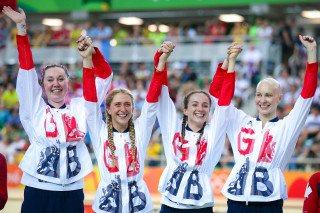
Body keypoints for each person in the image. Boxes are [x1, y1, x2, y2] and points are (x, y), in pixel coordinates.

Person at [3, 6, 112, 213]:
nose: (56, 84)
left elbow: (105, 77)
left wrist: (92, 55)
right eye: (50, 79)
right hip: (38, 189)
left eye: (61, 79)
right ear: (42, 85)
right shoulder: (34, 109)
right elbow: (26, 68)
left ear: (68, 83)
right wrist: (21, 28)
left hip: (72, 192)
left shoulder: (81, 107)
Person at [221, 35, 318, 213]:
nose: (262, 100)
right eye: (259, 95)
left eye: (268, 95)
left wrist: (312, 52)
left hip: (269, 203)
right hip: (236, 202)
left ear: (279, 98)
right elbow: (222, 99)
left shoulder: (287, 126)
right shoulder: (241, 121)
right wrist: (231, 62)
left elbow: (307, 94)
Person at [82, 38, 171, 213]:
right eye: (117, 105)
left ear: (132, 108)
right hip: (106, 206)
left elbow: (152, 100)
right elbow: (90, 102)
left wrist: (161, 63)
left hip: (138, 206)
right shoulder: (99, 130)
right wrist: (87, 59)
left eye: (127, 104)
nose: (123, 109)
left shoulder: (141, 129)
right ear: (107, 109)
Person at [156, 41, 242, 212]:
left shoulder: (214, 132)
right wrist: (161, 60)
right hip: (170, 205)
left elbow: (225, 99)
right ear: (185, 110)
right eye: (195, 105)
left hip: (201, 207)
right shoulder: (172, 126)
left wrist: (230, 62)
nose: (200, 109)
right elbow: (162, 92)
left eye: (205, 105)